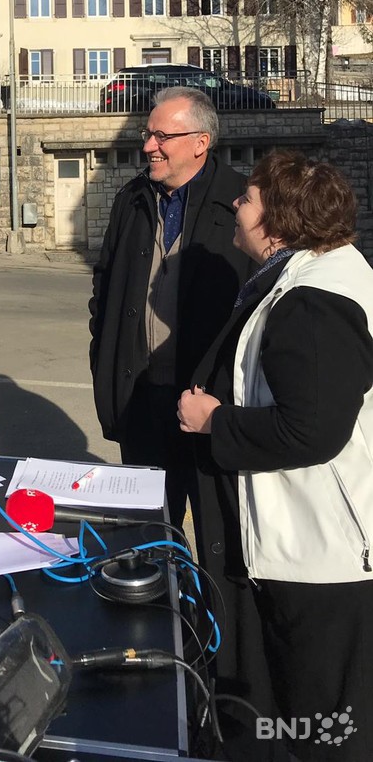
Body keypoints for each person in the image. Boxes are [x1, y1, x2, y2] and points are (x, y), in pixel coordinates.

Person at [178, 152, 373, 761]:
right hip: (308, 544)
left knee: (324, 728)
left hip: (320, 556)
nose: (236, 206)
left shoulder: (312, 303)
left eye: (248, 198)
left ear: (279, 223)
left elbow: (310, 430)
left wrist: (215, 421)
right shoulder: (302, 278)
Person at [89, 86, 253, 529]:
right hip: (141, 401)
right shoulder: (133, 199)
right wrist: (104, 364)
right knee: (148, 532)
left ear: (201, 142)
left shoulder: (242, 203)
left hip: (209, 409)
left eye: (161, 137)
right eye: (148, 134)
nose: (148, 146)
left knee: (218, 534)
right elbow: (104, 289)